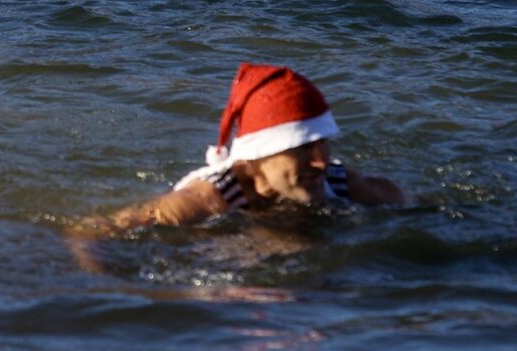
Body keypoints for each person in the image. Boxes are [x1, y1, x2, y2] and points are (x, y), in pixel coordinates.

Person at [68, 63, 411, 255]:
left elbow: (427, 210)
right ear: (254, 159)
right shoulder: (206, 201)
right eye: (303, 150)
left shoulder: (339, 182)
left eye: (323, 144)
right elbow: (89, 232)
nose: (321, 162)